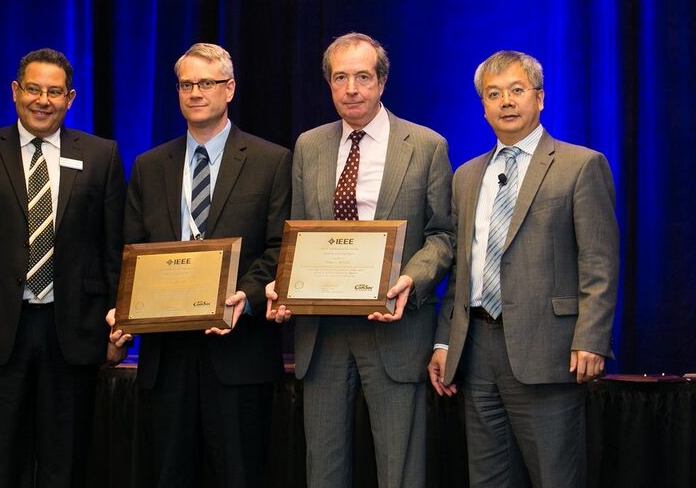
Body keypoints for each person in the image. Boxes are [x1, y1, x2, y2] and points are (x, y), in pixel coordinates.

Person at [266, 32, 454, 488]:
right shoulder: (309, 145)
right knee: (323, 471)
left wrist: (411, 279)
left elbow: (443, 235)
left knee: (399, 472)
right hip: (322, 332)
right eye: (340, 78)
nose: (351, 89)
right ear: (329, 84)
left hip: (395, 329)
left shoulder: (426, 145)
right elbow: (298, 232)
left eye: (363, 77)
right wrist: (284, 285)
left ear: (382, 82)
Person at [0, 48, 126, 487]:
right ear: (15, 91)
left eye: (54, 92)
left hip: (75, 333)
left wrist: (120, 327)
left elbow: (115, 250)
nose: (43, 100)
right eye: (34, 89)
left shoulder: (102, 155)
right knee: (0, 463)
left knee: (67, 464)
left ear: (70, 98)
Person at [428, 50, 619, 487]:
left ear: (540, 98)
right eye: (493, 94)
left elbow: (599, 262)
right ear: (483, 106)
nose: (506, 102)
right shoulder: (466, 176)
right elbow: (461, 271)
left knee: (556, 477)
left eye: (517, 90)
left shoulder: (580, 165)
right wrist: (444, 341)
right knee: (489, 479)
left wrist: (591, 337)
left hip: (549, 352)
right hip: (476, 351)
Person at [107, 43, 291, 488]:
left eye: (206, 83)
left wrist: (244, 297)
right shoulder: (149, 166)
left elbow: (278, 248)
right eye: (186, 84)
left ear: (230, 89)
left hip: (239, 355)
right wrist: (126, 309)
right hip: (167, 359)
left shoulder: (271, 161)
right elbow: (132, 251)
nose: (195, 93)